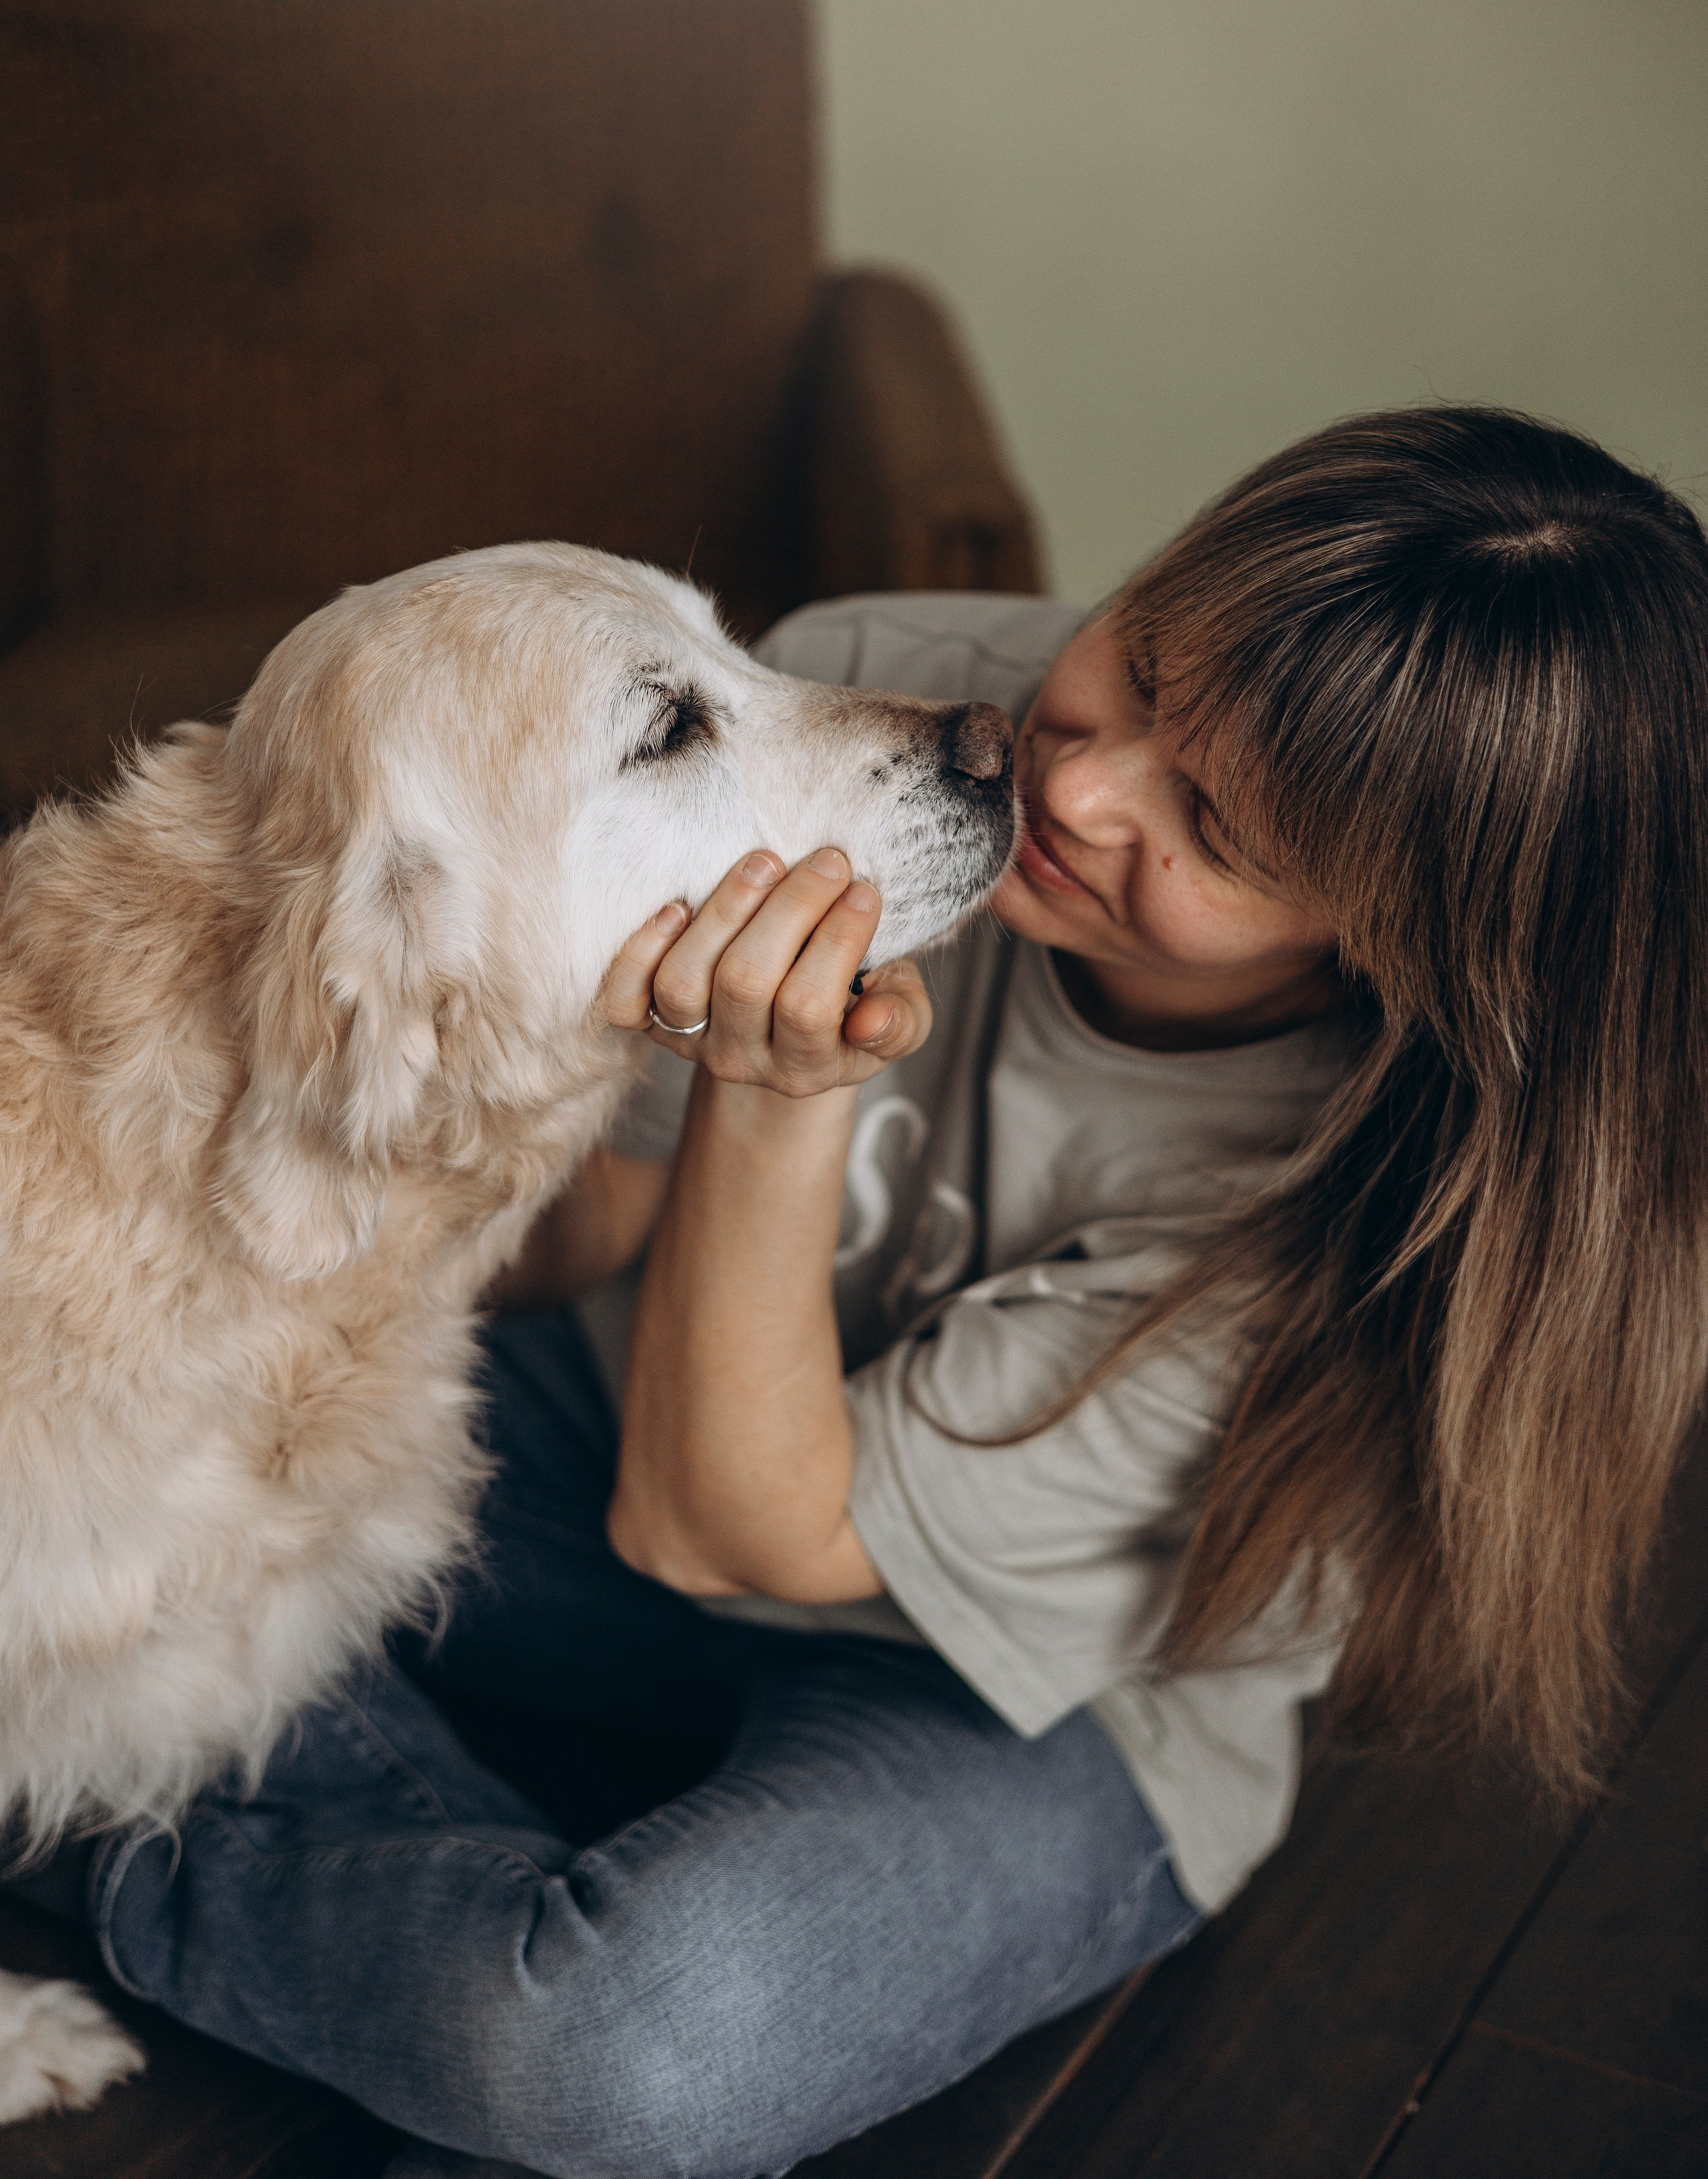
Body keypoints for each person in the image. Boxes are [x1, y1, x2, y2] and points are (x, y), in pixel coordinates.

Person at [23, 407, 1708, 2179]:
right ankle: (122, 1752)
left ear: (1397, 937)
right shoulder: (880, 690)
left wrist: (780, 1090)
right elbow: (575, 1244)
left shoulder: (1397, 1223)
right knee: (128, 1460)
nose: (1070, 784)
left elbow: (725, 1534)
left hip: (998, 1692)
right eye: (1138, 660)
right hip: (584, 1451)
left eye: (1210, 822)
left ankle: (92, 1809)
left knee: (624, 2048)